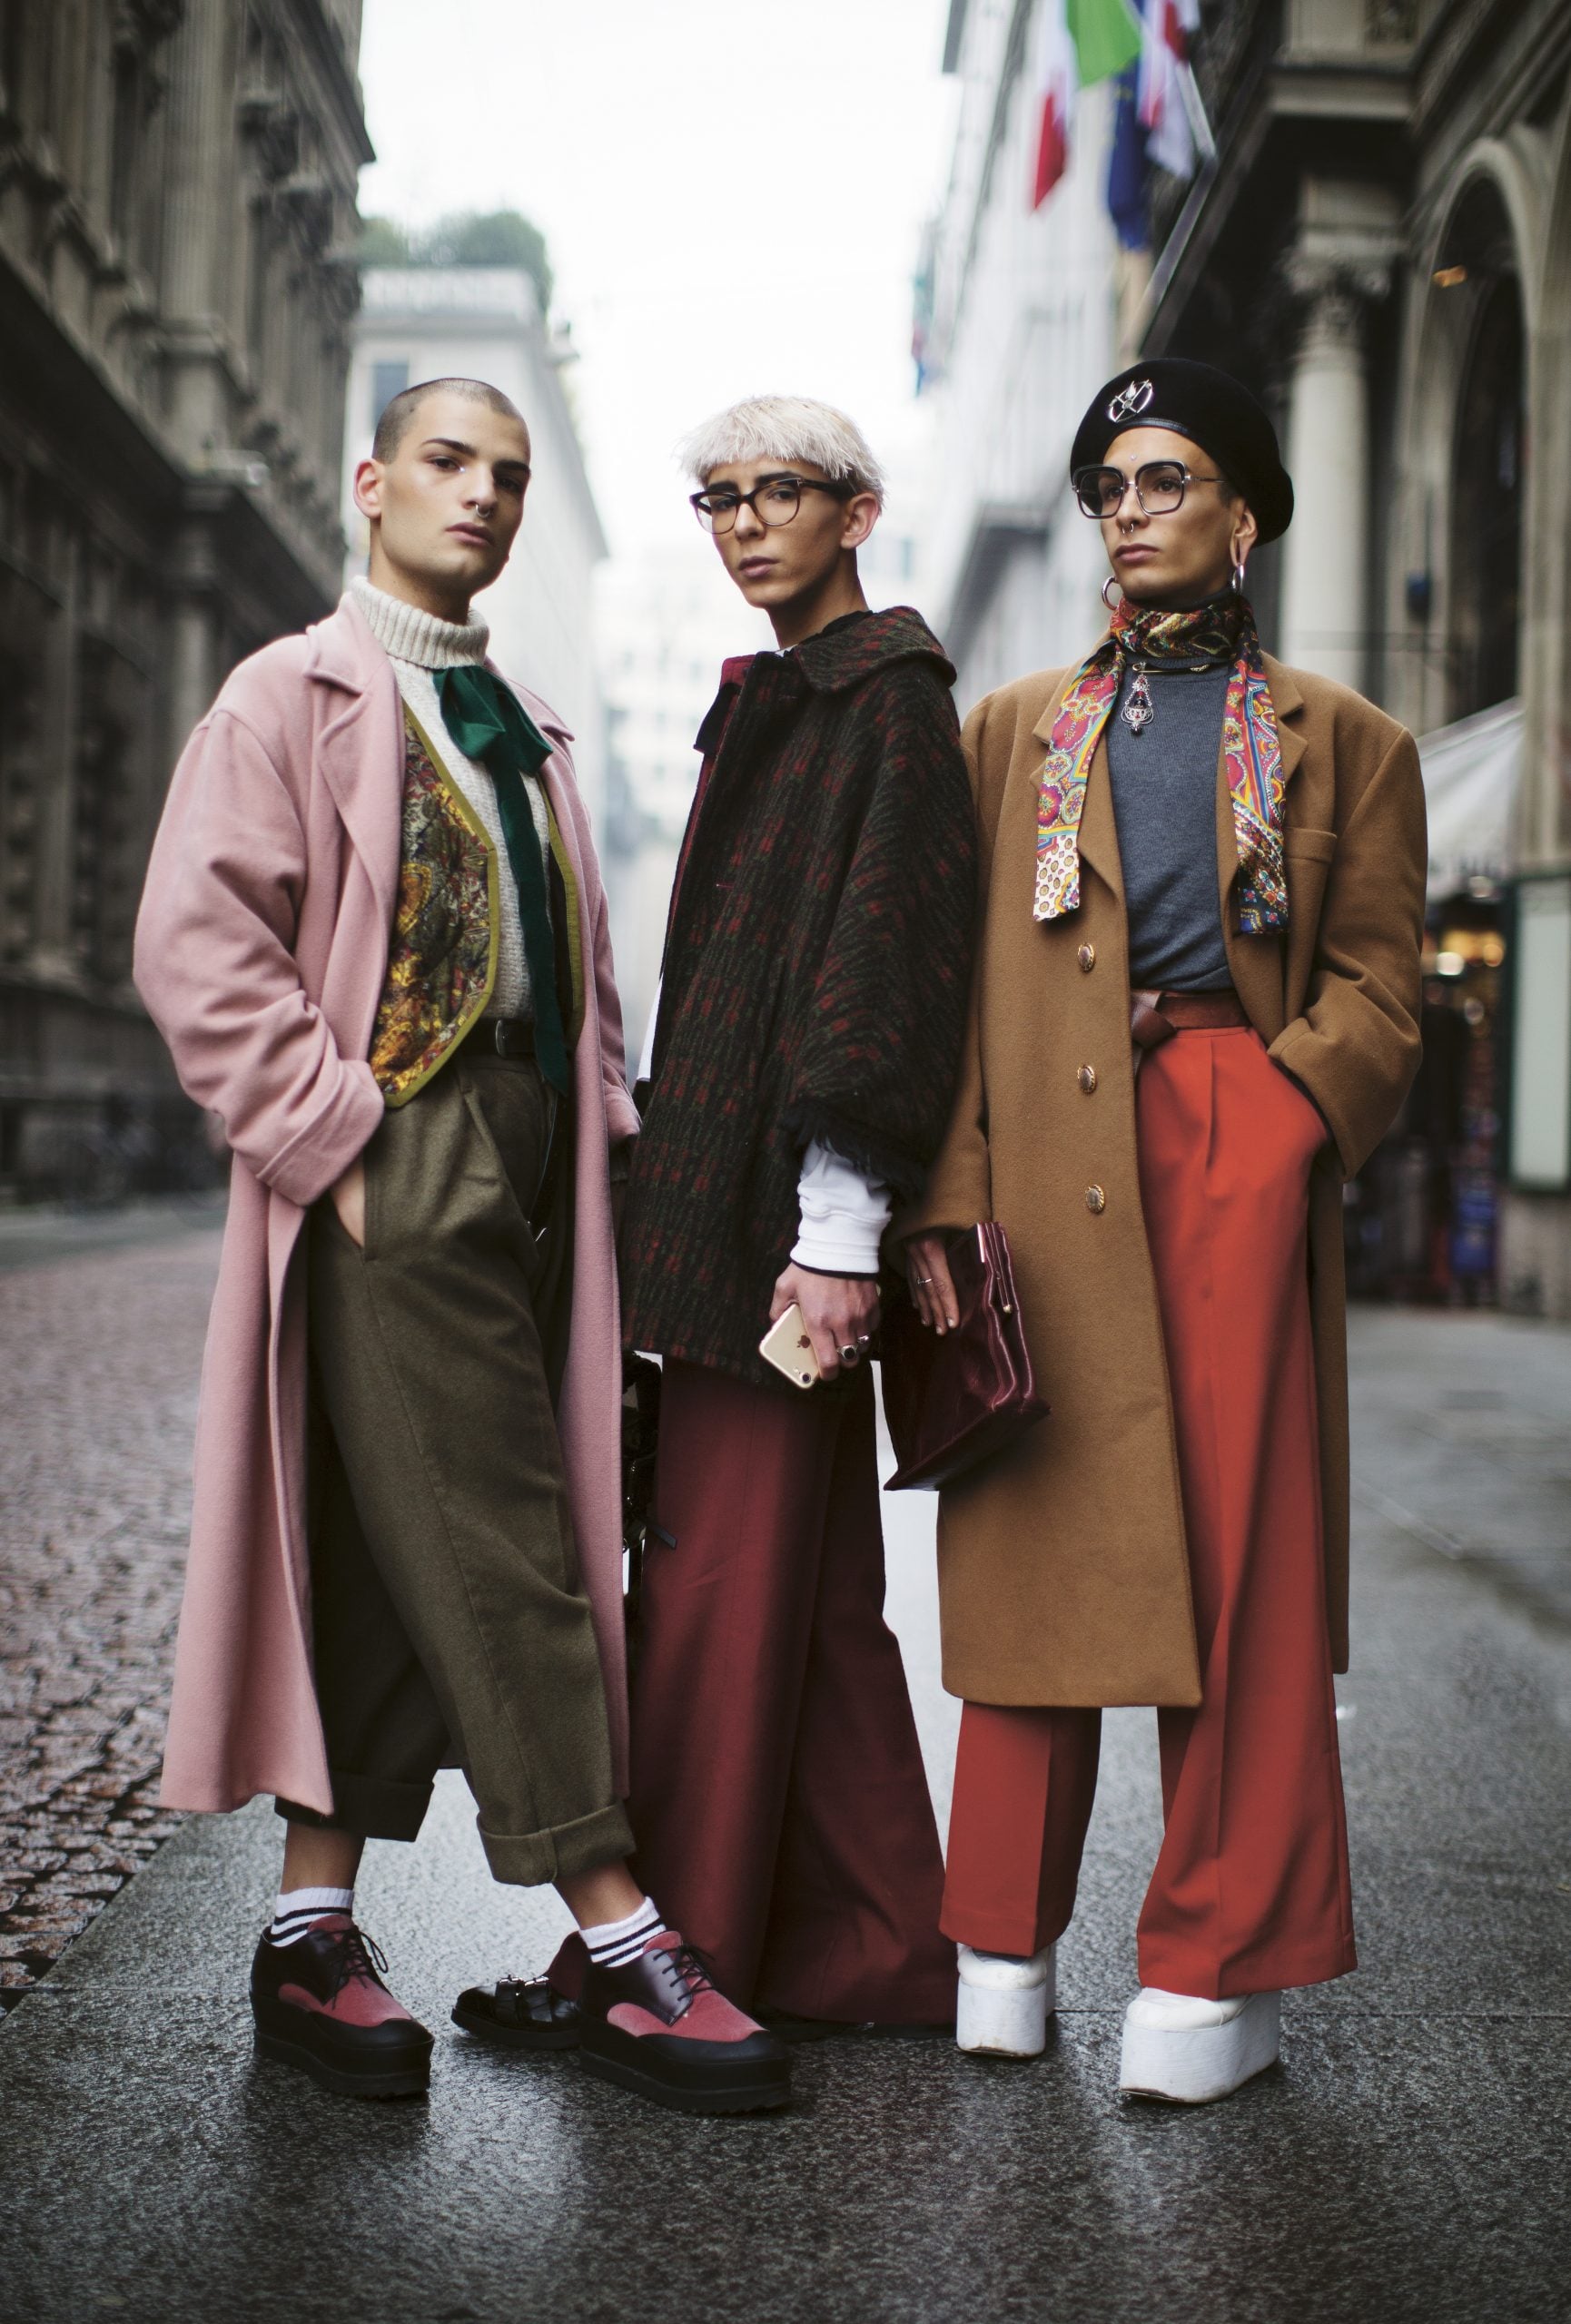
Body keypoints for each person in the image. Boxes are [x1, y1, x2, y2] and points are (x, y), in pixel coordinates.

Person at [134, 377, 788, 2117]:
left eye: (507, 474)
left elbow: (571, 975)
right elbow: (198, 943)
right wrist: (335, 1150)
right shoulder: (287, 692)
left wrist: (609, 1154)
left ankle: (308, 1933)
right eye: (448, 463)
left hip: (529, 1166)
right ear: (368, 485)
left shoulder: (522, 725)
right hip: (389, 1154)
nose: (484, 496)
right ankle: (624, 1930)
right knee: (506, 1539)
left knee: (383, 1533)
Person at [903, 359, 1426, 2102]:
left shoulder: (1346, 741)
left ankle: (1218, 1957)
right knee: (1037, 1540)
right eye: (1107, 483)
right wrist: (948, 1200)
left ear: (1243, 512)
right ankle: (998, 1943)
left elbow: (1378, 992)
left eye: (1165, 476)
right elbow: (951, 999)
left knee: (1242, 1560)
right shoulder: (1011, 730)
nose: (1127, 507)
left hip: (1230, 1142)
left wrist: (1278, 1123)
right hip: (1036, 1162)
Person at [482, 395, 973, 2035]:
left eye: (782, 492)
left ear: (858, 510)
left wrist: (836, 1233)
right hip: (718, 1221)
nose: (747, 523)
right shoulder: (778, 700)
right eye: (718, 498)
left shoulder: (884, 700)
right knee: (811, 1609)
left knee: (705, 1601)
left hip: (774, 1240)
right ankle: (875, 1951)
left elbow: (877, 972)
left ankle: (656, 1968)